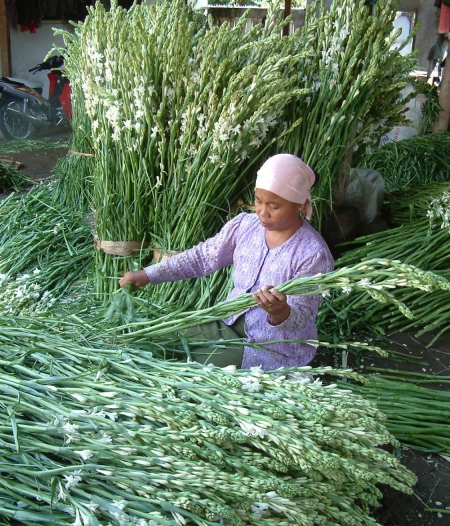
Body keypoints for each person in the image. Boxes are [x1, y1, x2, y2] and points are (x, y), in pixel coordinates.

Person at [119, 154, 334, 370]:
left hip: (272, 348)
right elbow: (202, 257)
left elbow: (303, 319)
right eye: (258, 201)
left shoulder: (313, 254)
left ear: (298, 204)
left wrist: (280, 312)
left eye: (274, 206)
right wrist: (149, 274)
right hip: (226, 323)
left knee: (195, 367)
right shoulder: (244, 226)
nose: (262, 212)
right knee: (160, 339)